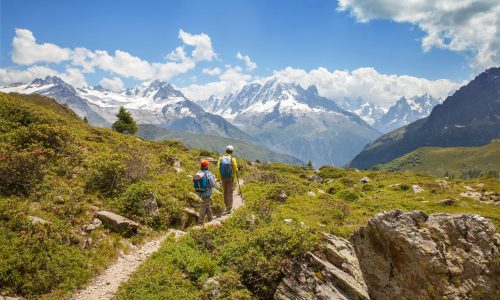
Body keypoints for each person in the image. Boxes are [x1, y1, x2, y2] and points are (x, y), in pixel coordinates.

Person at [193, 160, 216, 225]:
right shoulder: (208, 174)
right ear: (207, 166)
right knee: (205, 206)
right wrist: (214, 180)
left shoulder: (198, 172)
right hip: (206, 192)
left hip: (199, 191)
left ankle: (211, 219)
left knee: (207, 205)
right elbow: (212, 184)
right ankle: (200, 222)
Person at [217, 145, 238, 214]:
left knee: (225, 192)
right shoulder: (232, 158)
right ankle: (229, 208)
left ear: (226, 150)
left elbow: (218, 167)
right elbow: (235, 169)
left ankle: (226, 206)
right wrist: (236, 171)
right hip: (230, 178)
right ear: (232, 151)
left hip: (223, 177)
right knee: (230, 192)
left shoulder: (221, 158)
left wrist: (218, 177)